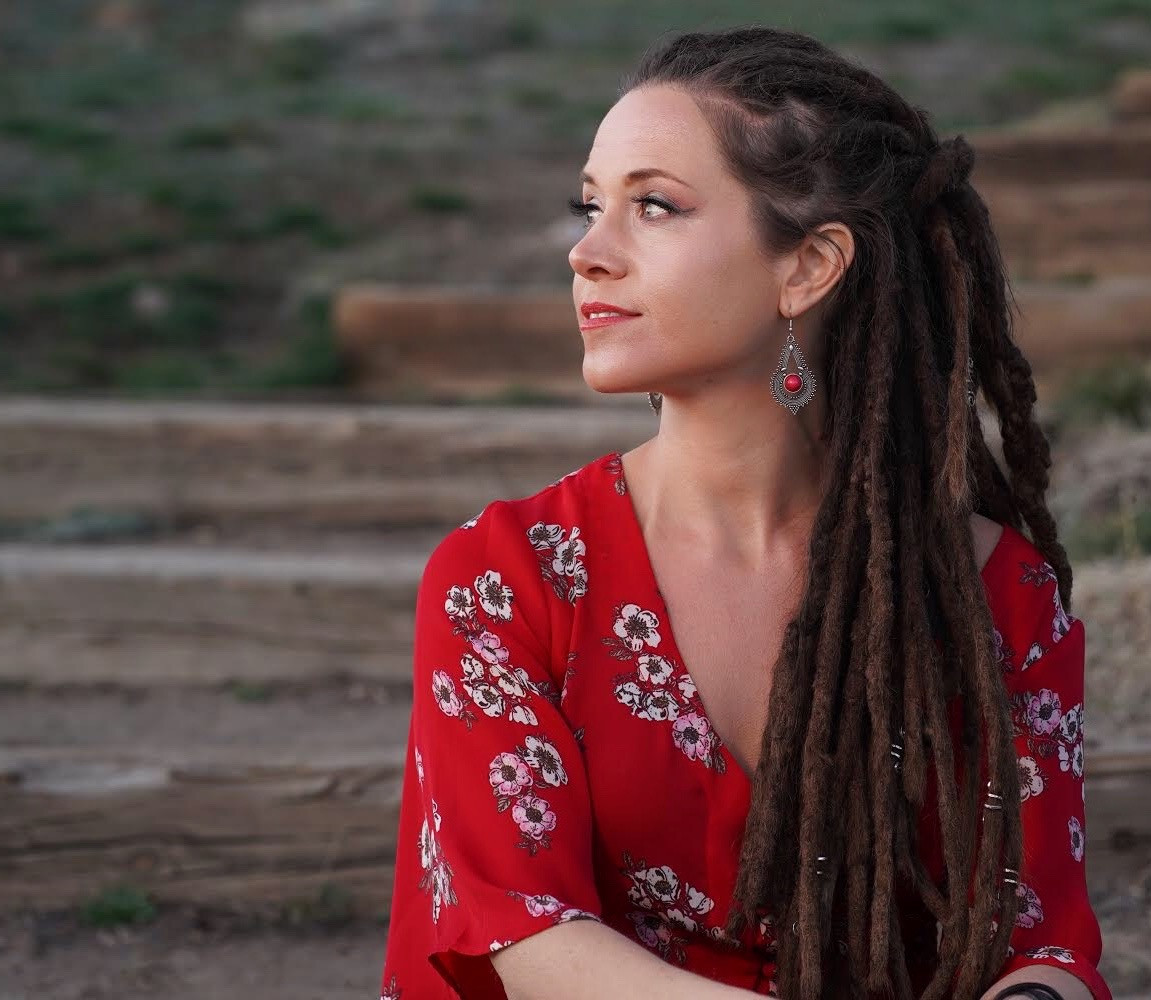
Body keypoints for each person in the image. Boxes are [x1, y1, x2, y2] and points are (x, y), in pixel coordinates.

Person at [377, 24, 1111, 1000]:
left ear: (806, 266)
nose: (587, 253)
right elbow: (525, 937)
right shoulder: (505, 578)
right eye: (589, 206)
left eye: (652, 206)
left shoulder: (995, 592)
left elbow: (1042, 944)